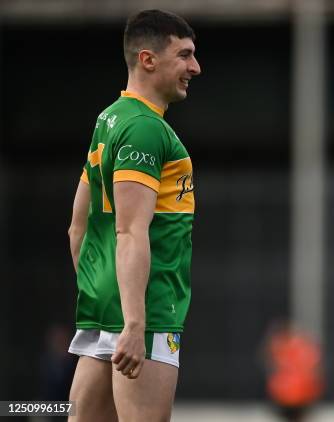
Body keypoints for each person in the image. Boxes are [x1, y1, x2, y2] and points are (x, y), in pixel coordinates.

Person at [66, 9, 201, 422]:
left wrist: (102, 292)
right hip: (149, 310)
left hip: (106, 306)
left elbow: (78, 227)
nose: (195, 67)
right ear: (148, 59)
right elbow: (130, 230)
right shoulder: (145, 129)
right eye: (184, 55)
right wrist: (136, 322)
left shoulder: (109, 119)